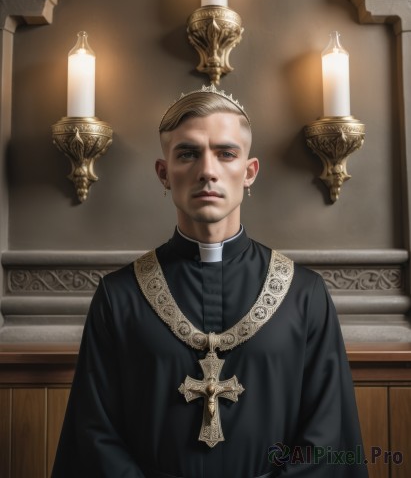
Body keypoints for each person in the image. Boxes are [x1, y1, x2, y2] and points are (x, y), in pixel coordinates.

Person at [52, 84, 368, 478]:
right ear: (164, 173)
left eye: (226, 153)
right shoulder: (119, 297)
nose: (207, 171)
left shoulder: (304, 295)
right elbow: (94, 431)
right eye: (188, 153)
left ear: (249, 172)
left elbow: (326, 435)